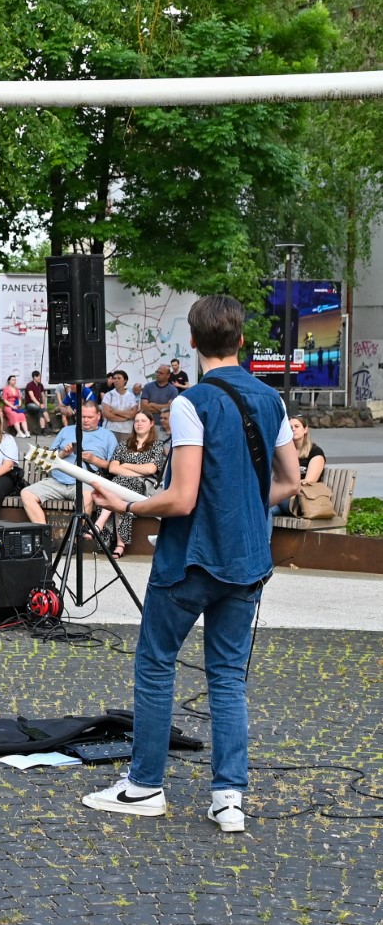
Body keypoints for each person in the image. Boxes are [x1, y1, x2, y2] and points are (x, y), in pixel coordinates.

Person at [83, 295, 298, 832]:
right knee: (227, 676)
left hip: (190, 561)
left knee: (156, 663)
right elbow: (291, 482)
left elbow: (181, 499)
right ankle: (229, 799)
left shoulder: (189, 403)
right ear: (241, 340)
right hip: (247, 560)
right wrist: (243, 509)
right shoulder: (272, 400)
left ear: (194, 342)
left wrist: (127, 506)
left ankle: (144, 786)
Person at [20, 400, 118, 526]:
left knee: (87, 496)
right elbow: (47, 459)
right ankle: (44, 533)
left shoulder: (108, 436)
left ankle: (77, 536)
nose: (85, 420)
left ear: (98, 416)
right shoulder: (65, 431)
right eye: (82, 417)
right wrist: (63, 454)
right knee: (26, 493)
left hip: (85, 483)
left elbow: (113, 467)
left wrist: (94, 460)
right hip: (57, 481)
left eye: (90, 417)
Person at [93, 410, 165, 556]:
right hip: (123, 484)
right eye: (136, 421)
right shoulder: (124, 444)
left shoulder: (156, 445)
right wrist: (139, 471)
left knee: (118, 485)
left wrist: (125, 465)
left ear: (151, 424)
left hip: (144, 485)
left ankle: (99, 525)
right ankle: (120, 544)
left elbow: (151, 469)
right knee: (120, 486)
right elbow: (113, 468)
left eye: (143, 421)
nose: (139, 424)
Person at [269, 416, 325, 517]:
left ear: (305, 429)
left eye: (297, 426)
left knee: (264, 501)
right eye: (290, 427)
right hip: (285, 498)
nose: (293, 429)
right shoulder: (285, 453)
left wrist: (285, 487)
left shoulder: (315, 452)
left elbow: (309, 481)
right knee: (265, 511)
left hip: (302, 500)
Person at [100, 370, 138, 439]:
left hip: (127, 430)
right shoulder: (109, 395)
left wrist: (115, 411)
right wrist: (125, 418)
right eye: (114, 378)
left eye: (119, 378)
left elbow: (133, 414)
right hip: (111, 429)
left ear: (125, 380)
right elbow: (107, 414)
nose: (116, 380)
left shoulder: (131, 396)